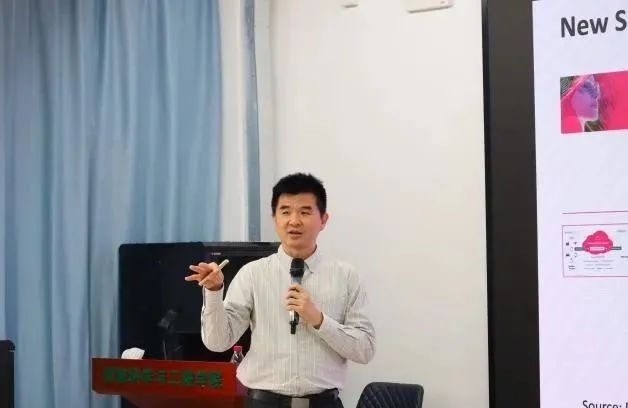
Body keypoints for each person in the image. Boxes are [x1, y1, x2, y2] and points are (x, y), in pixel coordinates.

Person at [185, 172, 376, 408]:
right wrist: (214, 291)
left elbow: (365, 349)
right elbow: (218, 343)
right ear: (274, 219)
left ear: (323, 220)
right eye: (285, 212)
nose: (294, 221)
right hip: (263, 403)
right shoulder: (252, 274)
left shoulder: (346, 277)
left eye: (304, 212)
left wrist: (318, 320)